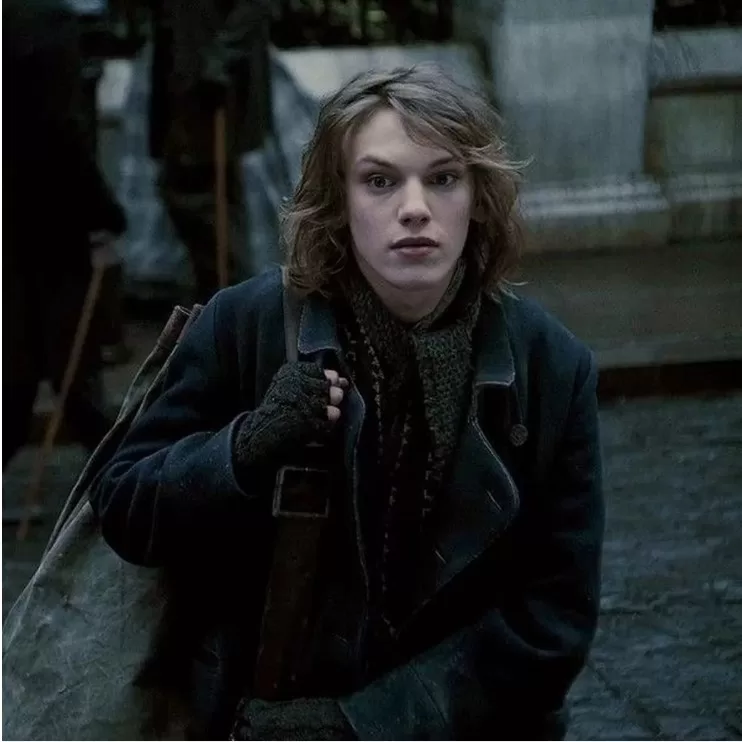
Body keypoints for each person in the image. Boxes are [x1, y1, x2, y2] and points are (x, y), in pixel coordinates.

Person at [89, 65, 605, 740]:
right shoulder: (246, 325)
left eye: (443, 178)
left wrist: (357, 725)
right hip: (259, 722)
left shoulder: (552, 367)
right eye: (380, 181)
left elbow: (554, 617)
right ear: (339, 199)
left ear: (479, 197)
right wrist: (242, 449)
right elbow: (124, 506)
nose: (414, 208)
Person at [3, 0, 127, 469]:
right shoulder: (48, 29)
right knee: (70, 375)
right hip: (50, 233)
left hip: (21, 226)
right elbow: (62, 131)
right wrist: (104, 210)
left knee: (22, 380)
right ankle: (123, 478)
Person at [150, 0, 273, 303]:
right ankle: (223, 299)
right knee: (203, 196)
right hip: (185, 81)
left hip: (210, 90)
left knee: (204, 196)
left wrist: (220, 57)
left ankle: (228, 300)